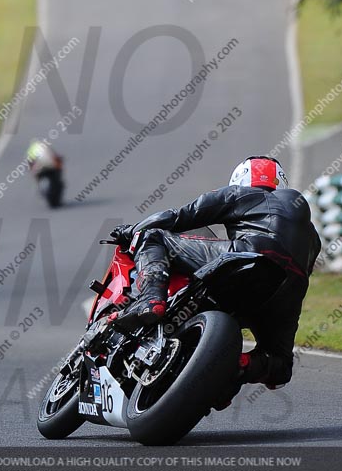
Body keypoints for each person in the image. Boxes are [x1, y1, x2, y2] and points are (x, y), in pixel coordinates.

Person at [110, 156, 321, 390]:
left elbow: (180, 216)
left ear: (239, 179)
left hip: (251, 257)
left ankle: (150, 299)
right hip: (289, 294)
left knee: (154, 236)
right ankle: (237, 367)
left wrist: (131, 231)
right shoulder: (313, 236)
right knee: (280, 365)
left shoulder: (240, 194)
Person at [27, 140, 65, 207]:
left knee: (58, 182)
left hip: (44, 168)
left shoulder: (35, 150)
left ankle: (42, 189)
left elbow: (30, 163)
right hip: (47, 168)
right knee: (58, 182)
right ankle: (42, 190)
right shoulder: (46, 148)